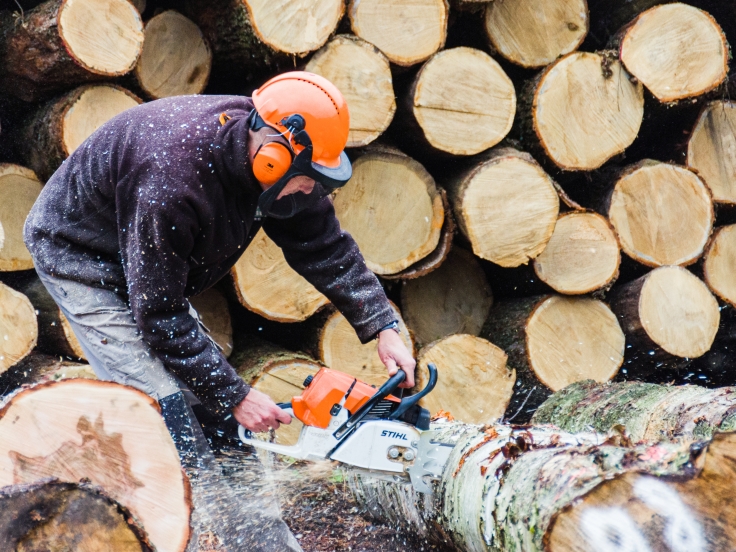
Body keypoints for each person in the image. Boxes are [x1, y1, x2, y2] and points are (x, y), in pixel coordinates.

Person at [24, 72, 416, 548]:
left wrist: (383, 325)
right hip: (80, 254)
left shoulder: (282, 165)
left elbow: (323, 243)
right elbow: (160, 317)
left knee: (214, 404)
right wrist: (236, 395)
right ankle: (188, 533)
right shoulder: (173, 176)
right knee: (161, 403)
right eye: (307, 180)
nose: (310, 192)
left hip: (146, 258)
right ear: (272, 157)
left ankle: (264, 542)